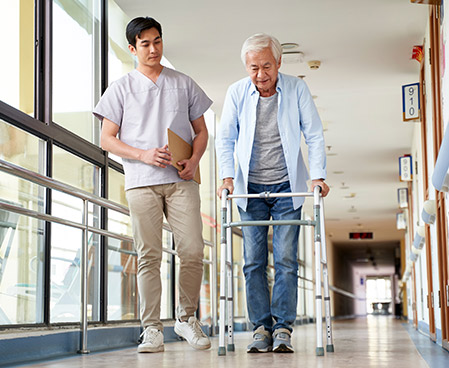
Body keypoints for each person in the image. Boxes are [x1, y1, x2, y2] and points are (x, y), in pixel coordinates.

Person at [93, 17, 212, 353]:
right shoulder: (120, 88)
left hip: (180, 179)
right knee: (149, 256)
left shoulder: (183, 83)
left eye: (157, 41)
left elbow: (201, 132)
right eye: (144, 44)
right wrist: (142, 155)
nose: (153, 48)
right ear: (132, 49)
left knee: (191, 250)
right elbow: (106, 138)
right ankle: (152, 328)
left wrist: (195, 159)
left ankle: (187, 319)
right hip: (141, 182)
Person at [216, 33, 329, 354]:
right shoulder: (236, 93)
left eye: (267, 66)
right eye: (254, 68)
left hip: (286, 188)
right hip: (248, 189)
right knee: (252, 262)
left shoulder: (297, 89)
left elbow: (315, 134)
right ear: (246, 67)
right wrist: (226, 178)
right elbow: (224, 139)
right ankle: (260, 327)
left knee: (286, 259)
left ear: (279, 63)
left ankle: (282, 327)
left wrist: (317, 177)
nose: (261, 74)